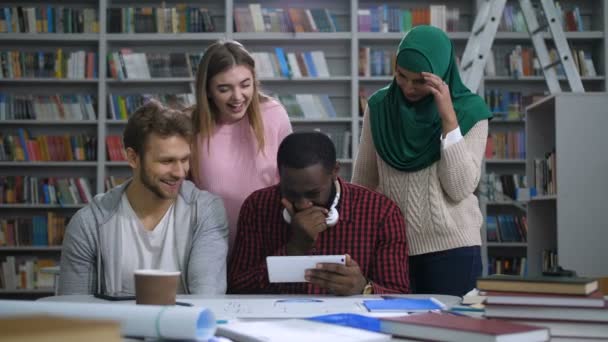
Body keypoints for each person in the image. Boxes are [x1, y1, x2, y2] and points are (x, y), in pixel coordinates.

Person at [352, 25, 492, 297]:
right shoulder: (379, 106)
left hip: (453, 250)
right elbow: (364, 182)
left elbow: (459, 187)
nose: (408, 87)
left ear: (440, 75)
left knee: (452, 333)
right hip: (390, 250)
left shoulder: (471, 112)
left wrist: (448, 119)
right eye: (402, 76)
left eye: (420, 81)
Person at [59, 101, 229, 295]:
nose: (180, 172)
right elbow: (74, 308)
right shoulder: (89, 223)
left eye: (184, 159)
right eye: (167, 161)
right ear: (133, 158)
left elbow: (208, 300)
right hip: (115, 326)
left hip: (184, 325)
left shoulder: (206, 212)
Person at [228, 132, 409, 295]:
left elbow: (398, 294)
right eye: (290, 193)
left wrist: (364, 288)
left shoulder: (381, 212)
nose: (302, 204)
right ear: (279, 175)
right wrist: (295, 249)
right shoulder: (258, 206)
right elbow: (237, 287)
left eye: (313, 194)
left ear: (335, 172)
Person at [189, 40, 292, 252]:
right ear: (207, 89)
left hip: (268, 243)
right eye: (224, 88)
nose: (237, 97)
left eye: (245, 85)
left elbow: (292, 181)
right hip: (208, 247)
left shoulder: (274, 114)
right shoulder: (189, 124)